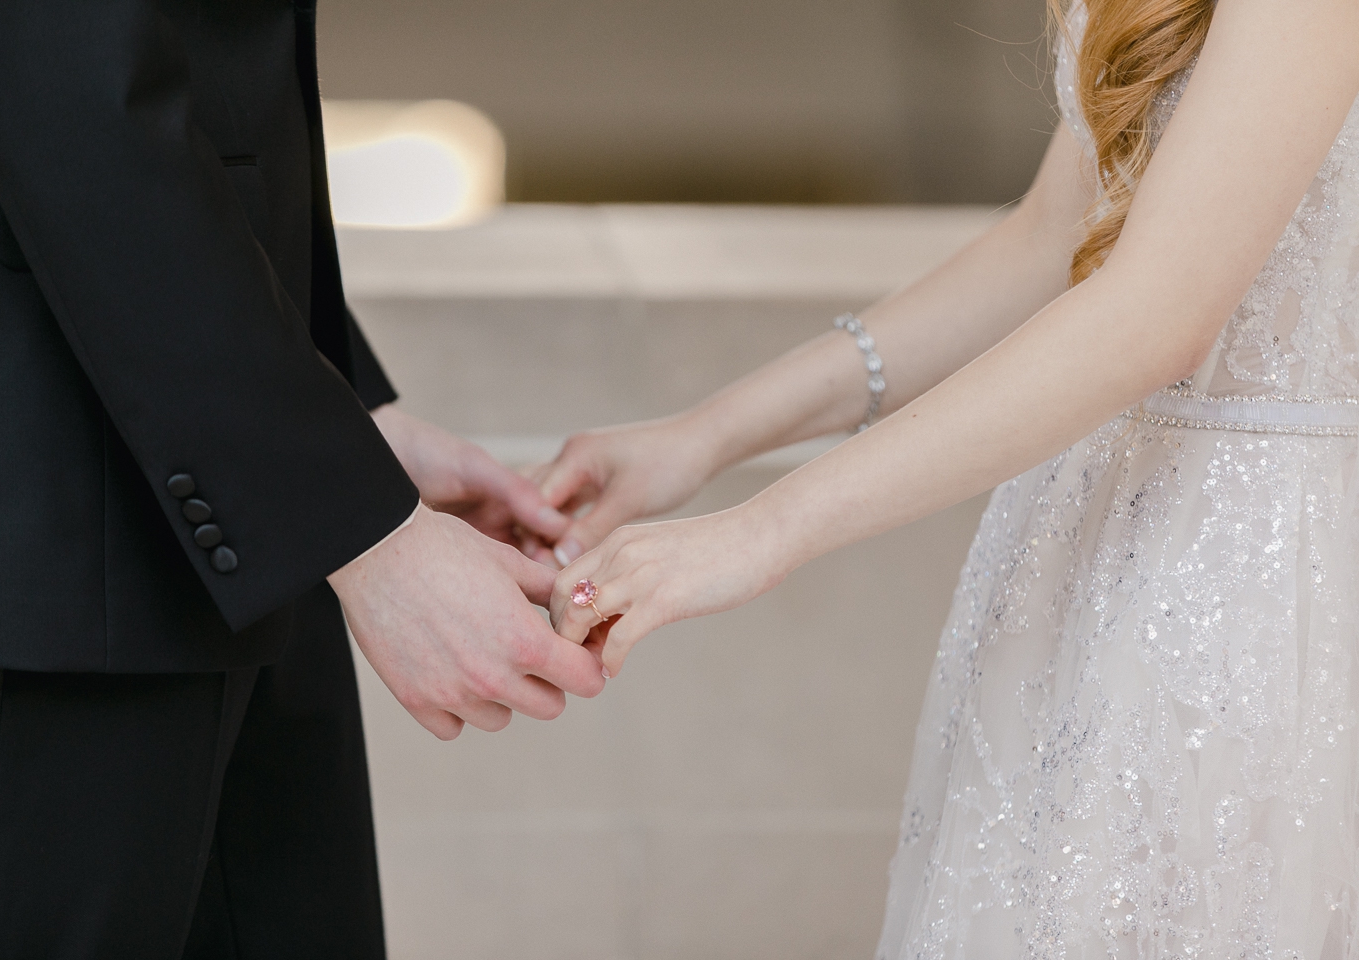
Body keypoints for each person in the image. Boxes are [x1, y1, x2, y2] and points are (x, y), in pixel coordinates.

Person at [530, 0, 1359, 952]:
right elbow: (1054, 235)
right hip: (1094, 575)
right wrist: (706, 436)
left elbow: (1154, 315)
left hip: (1258, 585)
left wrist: (766, 527)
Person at [0, 1, 603, 957]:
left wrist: (342, 419)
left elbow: (215, 81)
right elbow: (79, 99)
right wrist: (355, 525)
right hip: (53, 557)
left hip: (227, 526)